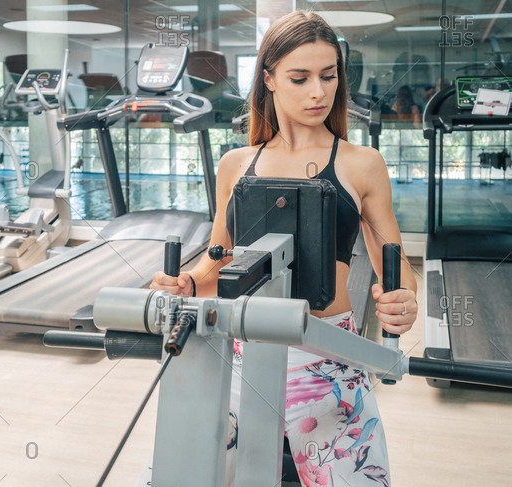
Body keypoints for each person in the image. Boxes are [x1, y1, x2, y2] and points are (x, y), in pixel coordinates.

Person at [151, 10, 418, 487]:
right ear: (269, 79)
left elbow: (393, 266)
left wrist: (403, 301)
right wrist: (187, 281)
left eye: (329, 76)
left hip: (327, 356)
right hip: (243, 349)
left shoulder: (361, 164)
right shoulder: (236, 163)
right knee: (181, 467)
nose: (319, 92)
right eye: (301, 78)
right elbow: (219, 257)